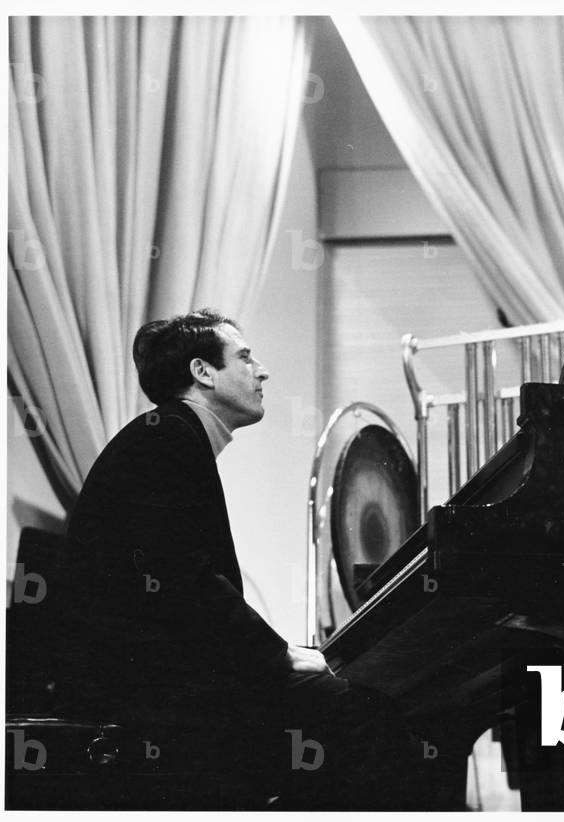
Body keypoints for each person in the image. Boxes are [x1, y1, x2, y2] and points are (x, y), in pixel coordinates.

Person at [63, 308, 421, 809]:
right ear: (202, 372)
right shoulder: (167, 438)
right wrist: (277, 655)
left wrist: (275, 655)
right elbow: (182, 583)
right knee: (367, 720)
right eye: (245, 357)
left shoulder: (168, 435)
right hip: (149, 694)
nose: (262, 370)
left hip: (157, 679)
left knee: (353, 717)